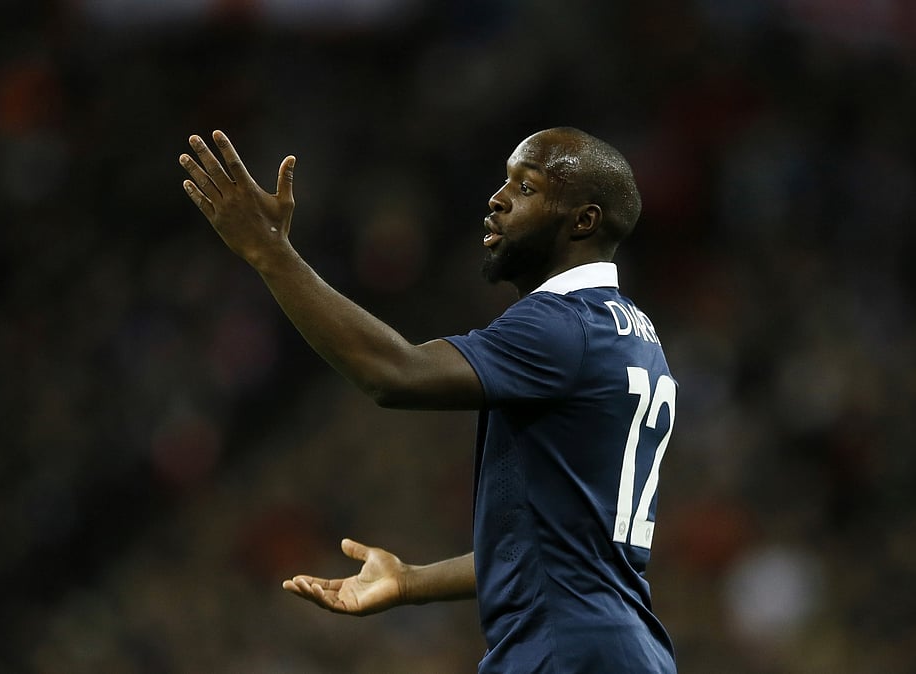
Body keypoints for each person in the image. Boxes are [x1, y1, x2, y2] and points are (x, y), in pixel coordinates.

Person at [179, 126, 679, 673]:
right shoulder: (635, 334)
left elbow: (392, 373)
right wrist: (411, 581)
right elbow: (559, 546)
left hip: (565, 652)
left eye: (528, 187)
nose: (498, 197)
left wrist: (268, 252)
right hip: (620, 647)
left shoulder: (561, 325)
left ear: (583, 220)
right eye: (505, 180)